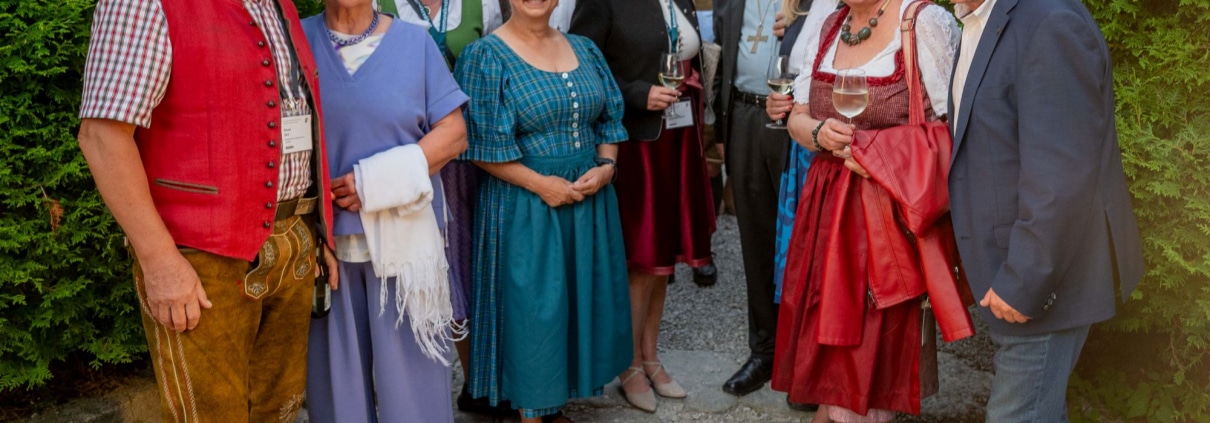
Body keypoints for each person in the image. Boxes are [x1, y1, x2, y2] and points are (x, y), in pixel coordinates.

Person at [76, 0, 338, 421]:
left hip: (294, 243)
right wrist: (159, 261)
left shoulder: (279, 4)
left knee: (279, 412)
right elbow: (102, 136)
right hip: (200, 260)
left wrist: (319, 229)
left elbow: (301, 111)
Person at [946, 0, 1146, 420]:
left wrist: (1025, 280)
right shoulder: (981, 20)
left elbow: (1061, 175)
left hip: (1041, 280)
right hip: (1010, 272)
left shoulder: (1049, 23)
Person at [772, 0, 967, 421]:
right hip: (826, 210)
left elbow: (957, 128)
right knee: (826, 349)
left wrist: (880, 153)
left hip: (887, 220)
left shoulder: (922, 22)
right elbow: (797, 116)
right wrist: (819, 133)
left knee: (868, 357)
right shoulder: (830, 23)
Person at [456, 0, 634, 421]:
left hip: (585, 201)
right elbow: (476, 144)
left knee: (572, 303)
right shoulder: (485, 56)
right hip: (524, 204)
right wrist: (541, 185)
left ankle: (553, 403)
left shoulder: (585, 48)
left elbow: (609, 120)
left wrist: (606, 167)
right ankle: (531, 414)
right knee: (534, 312)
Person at [300, 1, 469, 421]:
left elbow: (454, 134)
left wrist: (374, 182)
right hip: (325, 253)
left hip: (407, 252)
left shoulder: (415, 44)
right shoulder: (295, 39)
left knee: (415, 398)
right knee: (338, 398)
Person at [571, 0, 714, 412]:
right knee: (642, 257)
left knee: (662, 256)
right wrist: (636, 92)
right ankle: (628, 363)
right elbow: (581, 64)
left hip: (677, 134)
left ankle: (650, 356)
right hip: (633, 141)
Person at [711, 0, 835, 401]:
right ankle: (764, 351)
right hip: (744, 117)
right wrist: (720, 129)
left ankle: (805, 361)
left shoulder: (812, 3)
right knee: (756, 241)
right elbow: (723, 57)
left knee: (803, 244)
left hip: (796, 122)